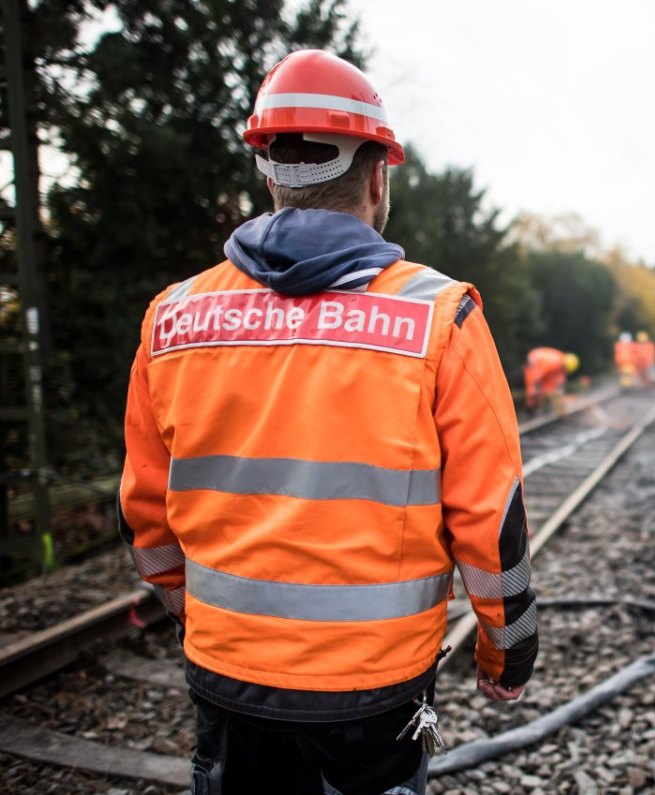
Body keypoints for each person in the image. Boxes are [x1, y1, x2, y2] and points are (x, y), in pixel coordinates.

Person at [118, 50, 537, 795]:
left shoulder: (173, 316)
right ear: (380, 176)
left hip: (225, 675)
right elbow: (491, 521)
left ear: (269, 174)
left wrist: (199, 617)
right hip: (375, 688)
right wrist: (507, 654)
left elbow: (145, 518)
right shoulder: (440, 316)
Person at [523, 346, 579, 413]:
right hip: (533, 363)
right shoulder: (553, 362)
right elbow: (538, 375)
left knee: (546, 388)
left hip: (540, 365)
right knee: (533, 390)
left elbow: (557, 380)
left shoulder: (561, 361)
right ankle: (530, 410)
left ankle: (541, 407)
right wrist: (537, 387)